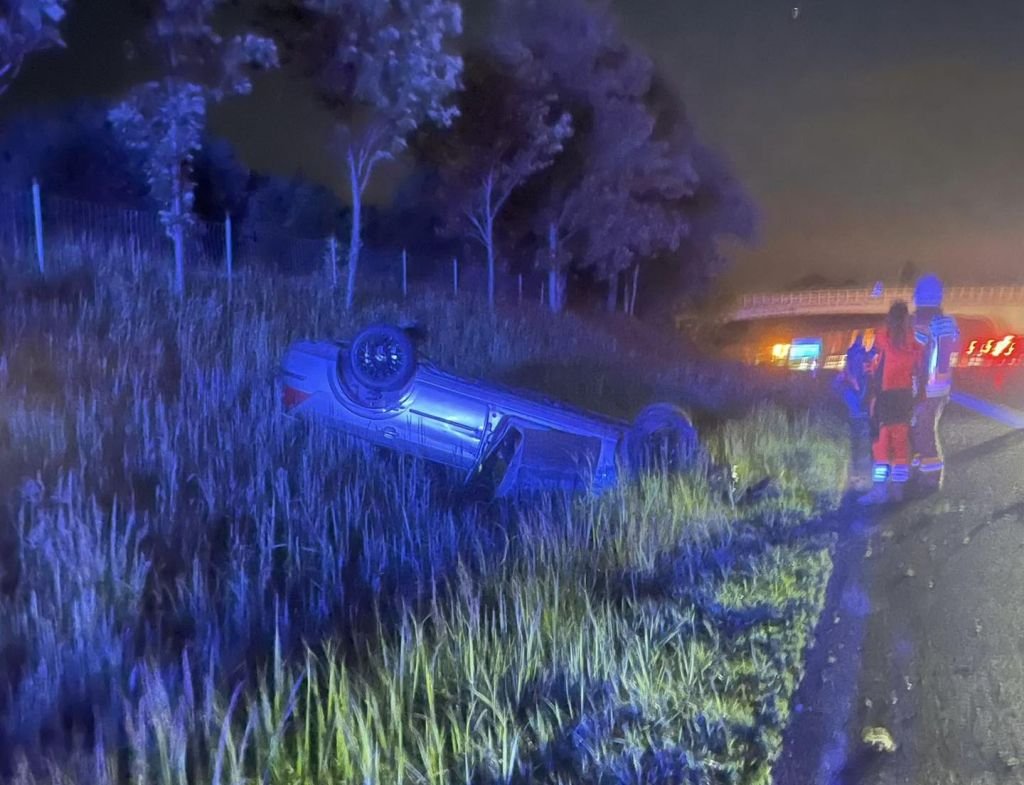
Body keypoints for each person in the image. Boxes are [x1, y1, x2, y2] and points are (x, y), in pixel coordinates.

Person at [859, 301, 923, 505]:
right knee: (901, 444)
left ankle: (880, 490)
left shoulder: (883, 336)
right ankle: (898, 489)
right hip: (904, 396)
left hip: (886, 397)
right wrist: (919, 394)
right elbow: (919, 366)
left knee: (881, 444)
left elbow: (873, 364)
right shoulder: (913, 339)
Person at [911, 274, 959, 494]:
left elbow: (916, 355)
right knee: (922, 430)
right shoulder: (946, 322)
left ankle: (931, 479)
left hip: (926, 388)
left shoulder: (918, 323)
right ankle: (925, 473)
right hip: (936, 388)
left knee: (924, 430)